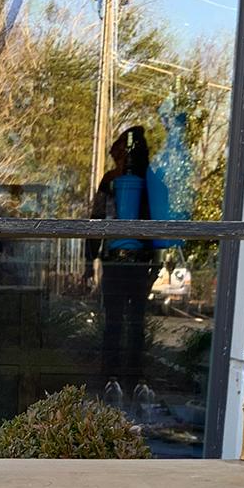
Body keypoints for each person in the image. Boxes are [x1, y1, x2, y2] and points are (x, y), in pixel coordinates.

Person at [85, 126, 155, 396]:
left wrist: (90, 257)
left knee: (126, 323)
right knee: (125, 322)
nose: (120, 160)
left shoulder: (136, 182)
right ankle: (118, 378)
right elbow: (96, 219)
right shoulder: (118, 181)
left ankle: (125, 378)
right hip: (125, 262)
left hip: (132, 262)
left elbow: (96, 218)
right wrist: (90, 258)